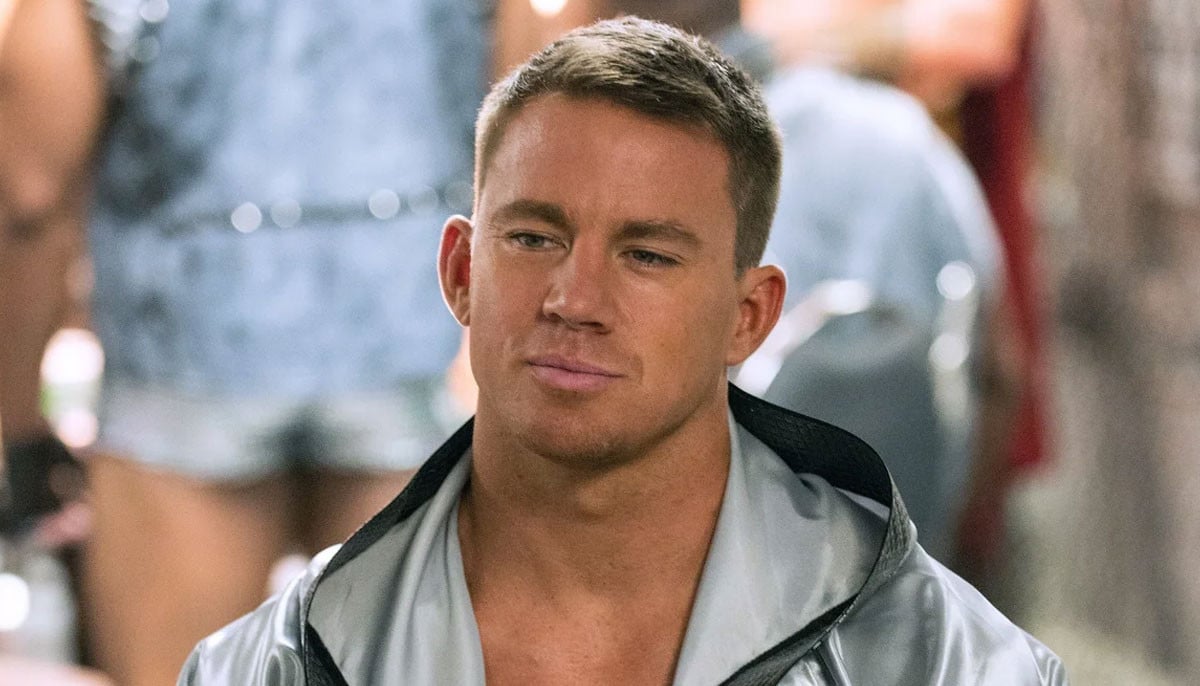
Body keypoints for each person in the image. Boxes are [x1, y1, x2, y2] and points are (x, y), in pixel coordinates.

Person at [180, 17, 1064, 684]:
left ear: (749, 316)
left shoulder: (945, 663)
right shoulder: (272, 663)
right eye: (533, 238)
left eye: (647, 256)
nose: (575, 301)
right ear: (459, 271)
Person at [2, 0, 490, 683]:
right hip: (415, 342)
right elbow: (546, 78)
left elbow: (30, 187)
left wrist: (18, 420)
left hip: (184, 352)